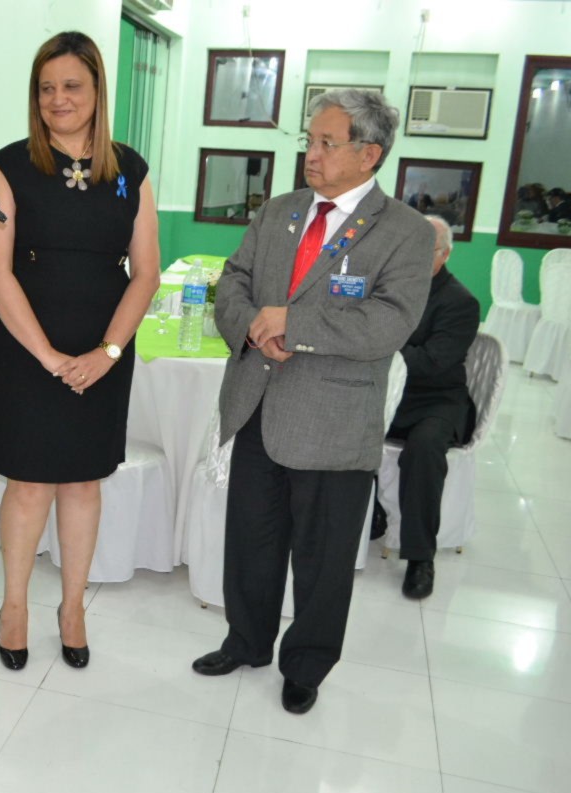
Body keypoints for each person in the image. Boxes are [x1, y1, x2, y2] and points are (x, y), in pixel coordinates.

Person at [191, 88, 433, 714]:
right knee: (252, 540)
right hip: (257, 405)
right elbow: (234, 281)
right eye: (310, 140)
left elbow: (389, 323)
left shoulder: (404, 233)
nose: (312, 154)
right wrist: (252, 328)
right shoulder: (280, 211)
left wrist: (290, 325)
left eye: (327, 143)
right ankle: (246, 641)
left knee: (323, 559)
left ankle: (306, 665)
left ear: (369, 154)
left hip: (334, 421)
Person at [0, 31, 159, 671]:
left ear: (97, 91)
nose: (58, 98)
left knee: (83, 482)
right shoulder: (10, 167)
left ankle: (73, 608)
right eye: (47, 88)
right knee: (29, 484)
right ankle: (14, 608)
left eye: (72, 85)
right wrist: (48, 356)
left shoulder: (130, 169)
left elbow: (146, 273)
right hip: (24, 348)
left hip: (103, 348)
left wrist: (107, 353)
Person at [383, 215, 480, 599]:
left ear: (446, 254)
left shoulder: (460, 301)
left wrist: (382, 347)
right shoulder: (390, 288)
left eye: (428, 249)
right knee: (341, 422)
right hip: (388, 393)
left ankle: (421, 557)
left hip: (435, 399)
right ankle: (370, 513)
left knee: (423, 449)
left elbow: (432, 361)